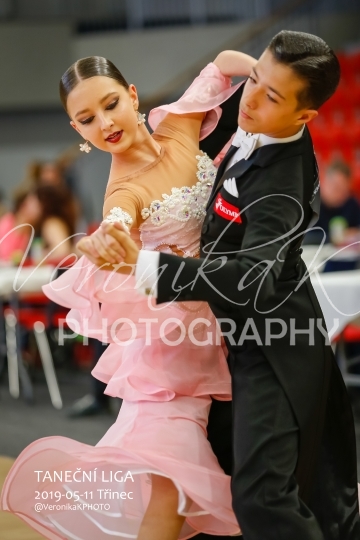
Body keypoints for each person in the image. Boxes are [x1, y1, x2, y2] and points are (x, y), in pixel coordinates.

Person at [88, 31, 360, 539]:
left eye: (271, 94)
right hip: (213, 339)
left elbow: (251, 279)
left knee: (260, 499)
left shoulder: (281, 187)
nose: (250, 98)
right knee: (206, 481)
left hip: (272, 343)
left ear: (304, 118)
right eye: (255, 80)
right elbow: (224, 74)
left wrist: (149, 268)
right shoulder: (256, 113)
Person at [1, 51, 256, 539]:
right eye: (86, 119)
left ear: (134, 96)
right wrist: (103, 240)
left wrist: (260, 68)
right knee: (170, 486)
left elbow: (221, 63)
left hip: (227, 312)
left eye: (111, 104)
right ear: (77, 131)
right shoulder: (123, 192)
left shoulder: (180, 127)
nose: (104, 124)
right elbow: (117, 226)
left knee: (222, 473)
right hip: (172, 350)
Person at [0, 187, 42, 263]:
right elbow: (5, 256)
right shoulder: (7, 222)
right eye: (35, 204)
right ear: (23, 206)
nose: (40, 209)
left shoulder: (32, 228)